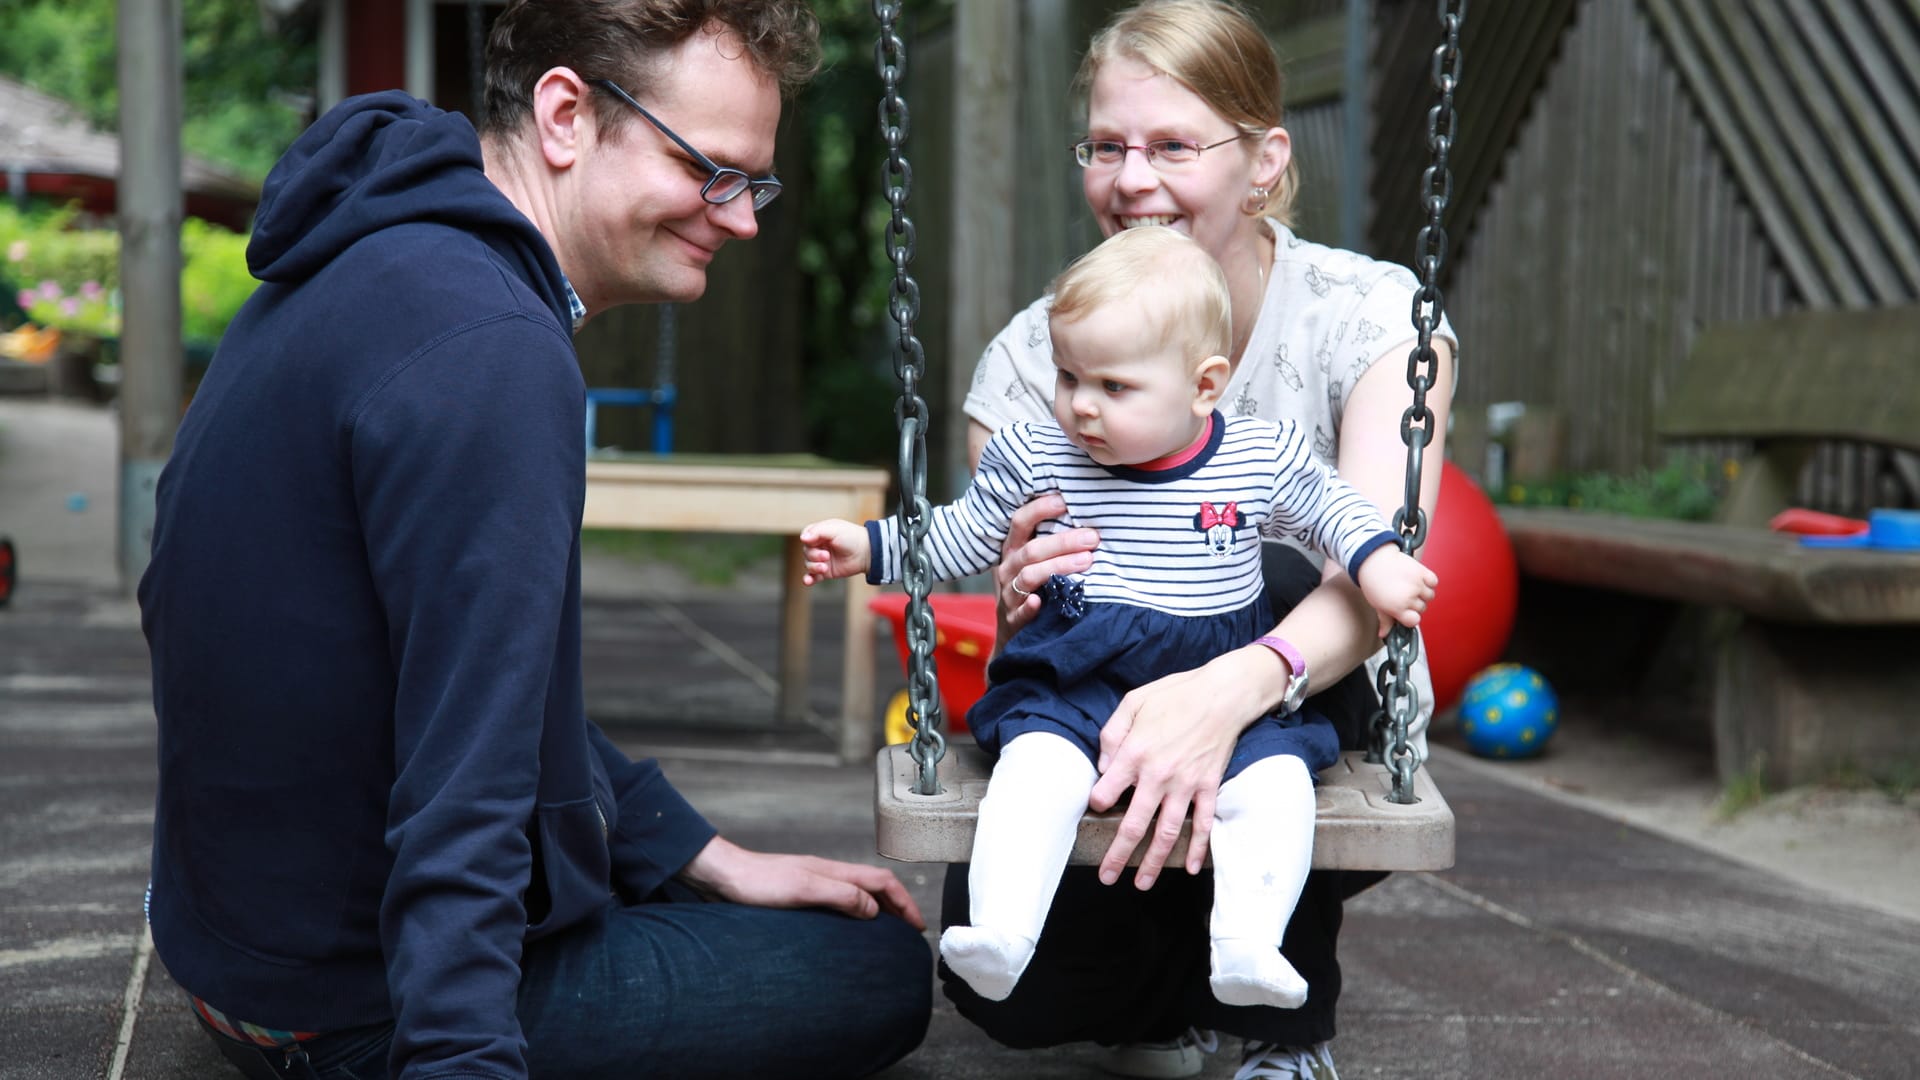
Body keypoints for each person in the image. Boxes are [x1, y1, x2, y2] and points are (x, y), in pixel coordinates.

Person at [136, 3, 931, 1079]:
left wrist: (701, 856)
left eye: (756, 181)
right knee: (877, 967)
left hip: (237, 962)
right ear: (566, 115)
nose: (740, 218)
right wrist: (460, 1057)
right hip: (354, 1007)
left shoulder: (367, 258)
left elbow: (437, 673)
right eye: (710, 169)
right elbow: (466, 775)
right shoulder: (493, 353)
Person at [946, 2, 1459, 1077]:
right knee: (1019, 997)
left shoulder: (1369, 320)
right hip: (1107, 700)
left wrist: (1228, 691)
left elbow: (1369, 567)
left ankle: (1283, 1026)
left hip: (1310, 693)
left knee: (1266, 560)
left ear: (1264, 161)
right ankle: (1193, 973)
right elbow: (1007, 592)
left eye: (1175, 145)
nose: (1133, 179)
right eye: (1108, 146)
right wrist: (1021, 585)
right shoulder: (1039, 358)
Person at [801, 225, 1436, 1012]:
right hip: (1082, 665)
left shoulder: (1259, 456)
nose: (1081, 406)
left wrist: (1378, 563)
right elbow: (965, 531)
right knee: (1037, 771)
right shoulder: (1039, 451)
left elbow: (1336, 512)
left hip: (1216, 667)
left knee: (1276, 783)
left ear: (1205, 386)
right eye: (1068, 377)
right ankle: (1001, 933)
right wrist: (870, 546)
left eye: (1114, 387)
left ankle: (1247, 946)